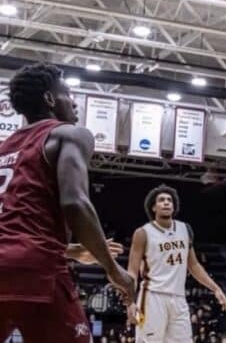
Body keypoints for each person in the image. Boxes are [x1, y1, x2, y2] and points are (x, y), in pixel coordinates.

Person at [0, 63, 135, 342]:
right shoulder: (69, 133)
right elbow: (75, 203)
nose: (74, 102)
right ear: (50, 99)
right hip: (35, 269)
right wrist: (113, 269)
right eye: (68, 94)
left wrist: (69, 249)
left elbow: (14, 221)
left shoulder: (4, 148)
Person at [127, 185, 226, 342]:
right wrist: (129, 302)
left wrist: (216, 289)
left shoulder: (184, 229)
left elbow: (194, 265)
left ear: (174, 206)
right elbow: (132, 272)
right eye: (161, 200)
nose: (166, 203)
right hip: (151, 297)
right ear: (153, 207)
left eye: (169, 200)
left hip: (179, 298)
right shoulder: (142, 233)